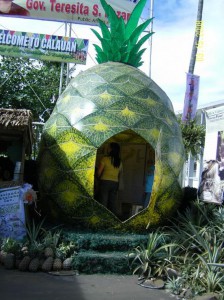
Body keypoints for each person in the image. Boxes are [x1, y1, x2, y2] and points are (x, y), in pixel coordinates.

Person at [97, 142, 123, 215]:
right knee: (112, 202)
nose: (108, 149)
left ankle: (102, 217)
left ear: (111, 149)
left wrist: (98, 178)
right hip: (115, 183)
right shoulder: (119, 161)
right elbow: (119, 173)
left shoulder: (105, 159)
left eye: (109, 147)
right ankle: (112, 219)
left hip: (105, 182)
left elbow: (99, 172)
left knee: (103, 201)